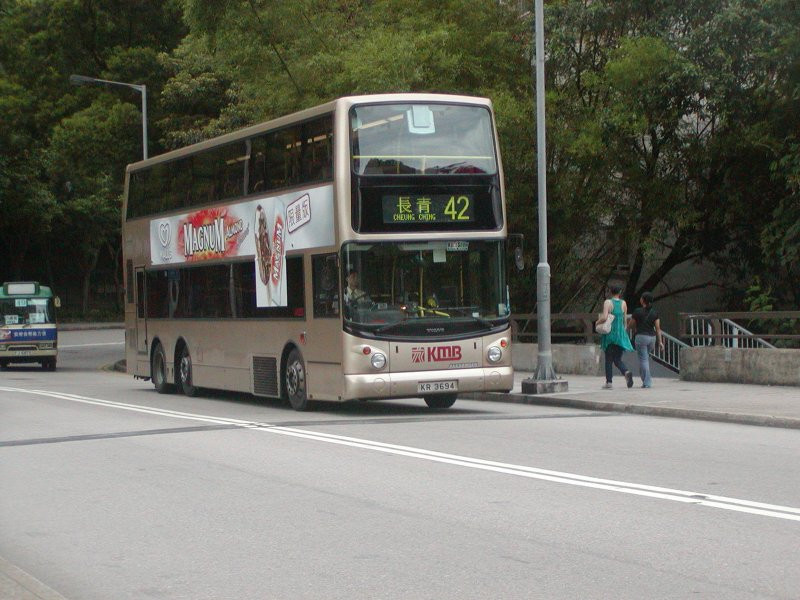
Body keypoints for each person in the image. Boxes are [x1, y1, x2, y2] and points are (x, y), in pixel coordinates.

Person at [596, 284, 634, 389]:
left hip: (610, 334)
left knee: (608, 359)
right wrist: (623, 332)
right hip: (620, 335)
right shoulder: (623, 303)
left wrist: (597, 322)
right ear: (620, 292)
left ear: (610, 292)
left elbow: (604, 317)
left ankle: (609, 382)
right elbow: (624, 321)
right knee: (617, 359)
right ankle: (626, 372)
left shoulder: (608, 302)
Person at [629, 291, 664, 388]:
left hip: (641, 337)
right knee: (644, 358)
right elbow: (658, 329)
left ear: (643, 300)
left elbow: (631, 325)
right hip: (652, 338)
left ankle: (647, 382)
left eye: (641, 298)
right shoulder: (655, 313)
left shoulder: (637, 311)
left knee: (643, 359)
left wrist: (628, 328)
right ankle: (644, 380)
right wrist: (660, 342)